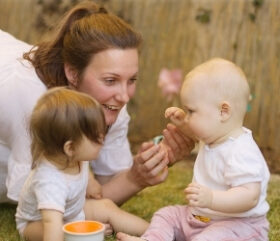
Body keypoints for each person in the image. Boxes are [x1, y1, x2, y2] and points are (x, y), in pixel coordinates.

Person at [0, 1, 194, 204]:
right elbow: (38, 206)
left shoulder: (110, 101)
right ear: (73, 74)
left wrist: (139, 174)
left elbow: (104, 190)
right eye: (110, 80)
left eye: (131, 80)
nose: (124, 97)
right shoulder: (32, 101)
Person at [116, 58, 270, 241]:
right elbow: (197, 133)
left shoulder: (241, 151)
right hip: (201, 219)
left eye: (191, 111)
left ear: (223, 112)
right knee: (167, 215)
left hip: (238, 226)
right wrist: (183, 123)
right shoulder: (214, 136)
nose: (187, 116)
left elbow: (249, 196)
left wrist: (211, 199)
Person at [15, 87, 149, 241]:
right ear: (70, 148)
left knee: (106, 206)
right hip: (37, 223)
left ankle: (158, 232)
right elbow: (52, 224)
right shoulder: (50, 182)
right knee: (61, 231)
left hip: (72, 213)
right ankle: (82, 231)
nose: (102, 139)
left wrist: (91, 181)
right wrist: (83, 231)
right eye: (96, 137)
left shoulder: (74, 156)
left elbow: (84, 168)